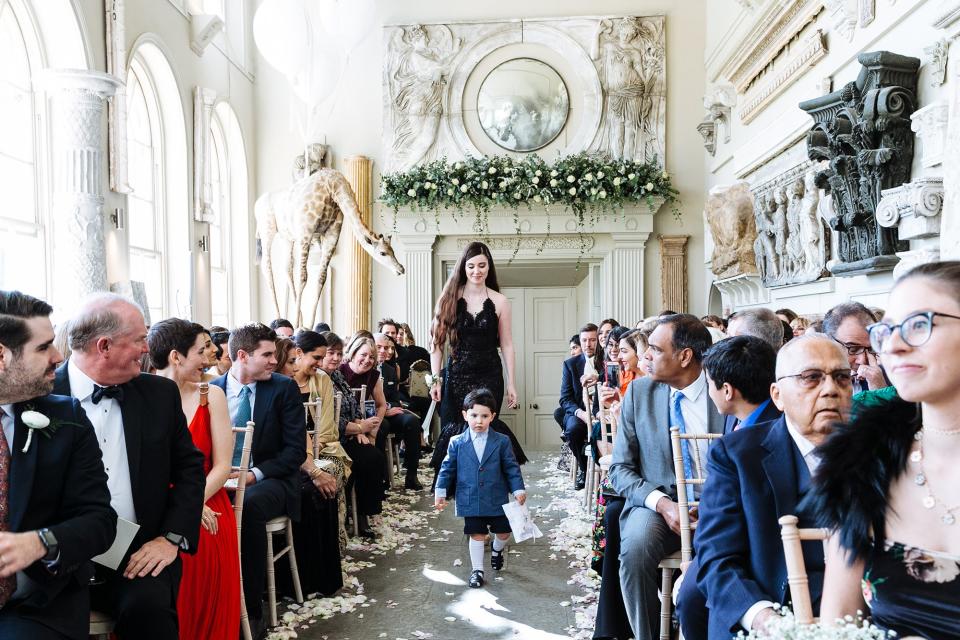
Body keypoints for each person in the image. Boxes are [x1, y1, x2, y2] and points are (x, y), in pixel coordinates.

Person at [808, 261, 960, 639]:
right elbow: (839, 624)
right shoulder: (864, 464)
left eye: (919, 324)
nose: (893, 345)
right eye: (887, 330)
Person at [53, 293, 205, 640]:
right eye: (140, 340)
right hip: (59, 556)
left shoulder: (159, 394)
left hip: (138, 553)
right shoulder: (42, 395)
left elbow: (190, 469)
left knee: (149, 612)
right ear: (104, 346)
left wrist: (171, 538)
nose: (147, 349)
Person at [678, 334, 851, 639]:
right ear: (777, 395)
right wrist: (766, 621)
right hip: (765, 611)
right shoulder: (738, 455)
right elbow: (716, 559)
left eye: (841, 377)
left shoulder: (878, 452)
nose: (830, 390)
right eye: (811, 378)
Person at [0, 291, 115, 640]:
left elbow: (99, 521)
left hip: (35, 603)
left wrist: (40, 542)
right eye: (43, 347)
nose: (58, 356)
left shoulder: (65, 416)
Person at [608, 314, 723, 640]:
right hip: (659, 505)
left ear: (685, 356)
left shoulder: (723, 389)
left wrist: (715, 504)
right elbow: (619, 469)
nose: (647, 357)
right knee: (635, 550)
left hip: (720, 503)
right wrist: (663, 505)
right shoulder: (640, 393)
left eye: (656, 350)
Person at [210, 323, 305, 638]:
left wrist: (253, 475)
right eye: (266, 355)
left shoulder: (283, 388)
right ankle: (210, 604)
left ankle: (249, 609)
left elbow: (295, 452)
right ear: (241, 355)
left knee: (246, 507)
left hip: (271, 479)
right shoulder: (213, 391)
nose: (274, 361)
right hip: (220, 478)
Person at [148, 319, 239, 640]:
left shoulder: (210, 395)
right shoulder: (141, 396)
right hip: (156, 502)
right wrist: (181, 505)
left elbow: (224, 466)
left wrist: (191, 503)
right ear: (175, 357)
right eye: (201, 351)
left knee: (204, 539)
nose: (210, 357)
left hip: (208, 497)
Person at [428, 242, 527, 483]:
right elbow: (436, 344)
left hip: (489, 374)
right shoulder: (449, 297)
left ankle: (488, 485)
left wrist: (512, 383)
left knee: (486, 427)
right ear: (463, 267)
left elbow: (507, 344)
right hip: (457, 375)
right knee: (457, 428)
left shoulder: (500, 301)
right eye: (471, 266)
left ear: (489, 266)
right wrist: (435, 380)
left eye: (482, 265)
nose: (476, 271)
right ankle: (461, 488)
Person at [434, 388, 526, 589]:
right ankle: (477, 570)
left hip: (496, 498)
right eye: (474, 415)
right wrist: (440, 491)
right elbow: (447, 468)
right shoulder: (456, 442)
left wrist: (518, 489)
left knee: (503, 532)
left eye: (484, 416)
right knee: (475, 533)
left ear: (492, 417)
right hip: (470, 498)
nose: (479, 421)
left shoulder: (502, 441)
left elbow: (511, 467)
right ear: (465, 415)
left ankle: (497, 549)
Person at [280, 330, 343, 597]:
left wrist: (312, 465)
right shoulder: (282, 387)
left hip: (314, 452)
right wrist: (311, 468)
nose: (294, 368)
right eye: (290, 362)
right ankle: (300, 579)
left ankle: (322, 578)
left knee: (324, 484)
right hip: (279, 464)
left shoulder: (315, 382)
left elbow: (305, 434)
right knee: (312, 489)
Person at [320, 332, 385, 538]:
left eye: (339, 354)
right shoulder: (320, 380)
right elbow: (330, 421)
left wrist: (360, 424)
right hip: (332, 439)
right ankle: (350, 512)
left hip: (349, 433)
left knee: (372, 456)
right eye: (331, 353)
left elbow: (354, 405)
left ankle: (363, 513)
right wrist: (359, 429)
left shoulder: (337, 375)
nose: (336, 358)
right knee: (360, 459)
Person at [703, 335, 781, 434]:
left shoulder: (780, 431)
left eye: (708, 383)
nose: (709, 392)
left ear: (727, 391)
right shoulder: (733, 415)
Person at [374, 333, 423, 489]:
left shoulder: (390, 370)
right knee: (382, 426)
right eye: (379, 347)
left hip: (388, 411)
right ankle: (382, 478)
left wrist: (387, 408)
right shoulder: (364, 366)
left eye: (387, 348)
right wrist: (382, 411)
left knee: (412, 421)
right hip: (371, 415)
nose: (383, 351)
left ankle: (411, 474)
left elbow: (395, 398)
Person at [560, 323, 603, 489]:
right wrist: (581, 414)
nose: (588, 344)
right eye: (584, 340)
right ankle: (585, 470)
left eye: (592, 340)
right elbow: (565, 399)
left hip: (601, 410)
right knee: (573, 430)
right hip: (580, 411)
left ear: (598, 341)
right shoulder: (570, 365)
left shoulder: (605, 361)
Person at [822, 302, 886, 393]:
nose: (863, 360)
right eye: (853, 349)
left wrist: (881, 392)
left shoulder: (890, 378)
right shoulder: (808, 383)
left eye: (871, 348)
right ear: (828, 344)